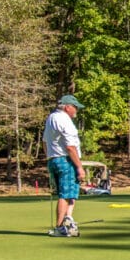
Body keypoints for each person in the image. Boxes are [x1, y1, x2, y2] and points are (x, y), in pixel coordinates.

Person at [43, 95, 87, 237]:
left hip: (53, 159)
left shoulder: (51, 118)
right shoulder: (64, 120)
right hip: (65, 160)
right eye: (75, 108)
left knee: (69, 192)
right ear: (67, 107)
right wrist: (79, 167)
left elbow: (44, 142)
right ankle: (60, 227)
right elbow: (70, 147)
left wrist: (50, 156)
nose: (76, 111)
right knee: (65, 194)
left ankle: (68, 220)